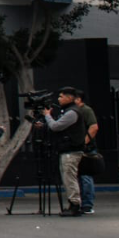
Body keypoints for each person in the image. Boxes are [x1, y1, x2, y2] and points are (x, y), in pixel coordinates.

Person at [36, 86, 86, 217]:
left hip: (71, 150)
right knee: (67, 177)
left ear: (70, 98)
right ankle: (72, 203)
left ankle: (75, 204)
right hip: (67, 149)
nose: (59, 99)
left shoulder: (72, 112)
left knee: (69, 177)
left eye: (61, 96)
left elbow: (56, 126)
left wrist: (47, 116)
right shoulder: (68, 111)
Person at [76, 90, 99, 215]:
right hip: (77, 147)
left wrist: (84, 143)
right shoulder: (74, 111)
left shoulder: (86, 110)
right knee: (78, 176)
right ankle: (80, 202)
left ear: (79, 99)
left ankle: (87, 204)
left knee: (85, 175)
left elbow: (94, 127)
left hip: (86, 148)